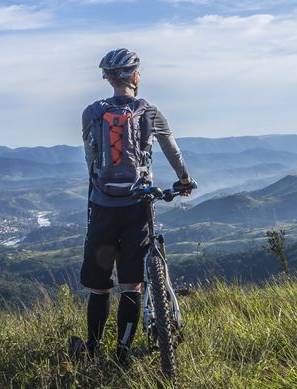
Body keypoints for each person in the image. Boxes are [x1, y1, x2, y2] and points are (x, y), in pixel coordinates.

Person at [76, 48, 195, 365]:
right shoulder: (150, 112)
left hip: (102, 205)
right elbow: (172, 150)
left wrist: (99, 189)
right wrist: (184, 179)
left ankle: (91, 350)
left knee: (100, 288)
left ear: (108, 78)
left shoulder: (91, 113)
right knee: (131, 284)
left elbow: (91, 160)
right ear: (135, 77)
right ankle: (122, 353)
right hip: (137, 205)